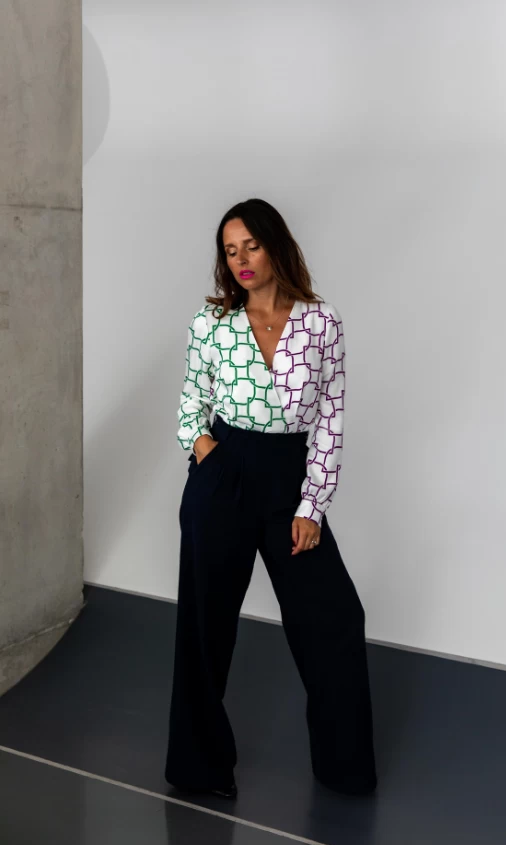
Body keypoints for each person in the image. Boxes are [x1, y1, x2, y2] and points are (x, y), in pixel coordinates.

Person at [164, 198, 377, 799]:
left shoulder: (321, 322)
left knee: (334, 620)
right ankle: (199, 768)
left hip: (289, 478)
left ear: (275, 244)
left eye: (251, 246)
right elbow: (191, 401)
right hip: (223, 475)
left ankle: (344, 767)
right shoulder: (211, 322)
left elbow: (330, 416)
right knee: (205, 626)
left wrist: (312, 506)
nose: (241, 260)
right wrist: (205, 450)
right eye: (230, 251)